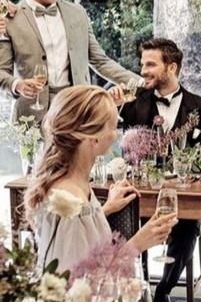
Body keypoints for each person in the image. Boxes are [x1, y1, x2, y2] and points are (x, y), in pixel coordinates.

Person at [117, 37, 201, 302]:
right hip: (142, 195)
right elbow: (125, 153)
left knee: (186, 225)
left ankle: (163, 291)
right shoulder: (131, 105)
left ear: (172, 67)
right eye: (142, 64)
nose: (143, 71)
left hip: (186, 199)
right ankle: (140, 289)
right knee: (127, 220)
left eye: (151, 65)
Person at [24, 86, 176, 272]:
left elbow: (81, 241)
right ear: (94, 139)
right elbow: (79, 280)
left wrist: (105, 209)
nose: (115, 134)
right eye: (113, 127)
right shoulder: (69, 198)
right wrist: (138, 243)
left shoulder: (75, 184)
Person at [0, 0, 141, 121]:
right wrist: (17, 84)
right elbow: (2, 71)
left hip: (78, 109)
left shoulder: (77, 13)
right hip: (31, 116)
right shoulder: (10, 17)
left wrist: (139, 82)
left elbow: (100, 60)